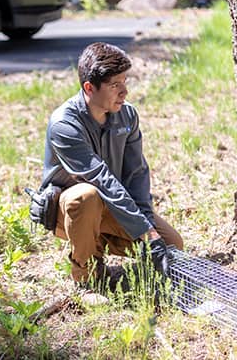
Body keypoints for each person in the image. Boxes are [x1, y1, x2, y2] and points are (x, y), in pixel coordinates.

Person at [40, 42, 183, 294]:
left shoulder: (127, 116)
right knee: (86, 196)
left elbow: (136, 174)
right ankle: (86, 280)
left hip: (112, 205)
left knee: (172, 245)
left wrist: (149, 228)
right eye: (115, 85)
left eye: (125, 81)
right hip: (73, 211)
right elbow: (100, 179)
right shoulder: (64, 124)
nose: (124, 91)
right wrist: (145, 233)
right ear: (89, 87)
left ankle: (129, 268)